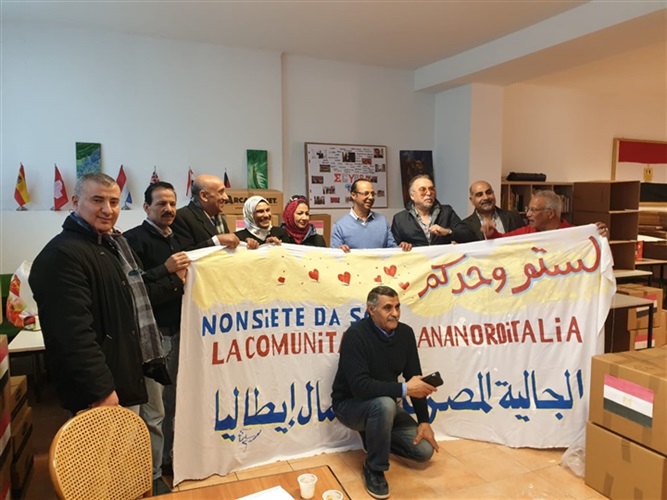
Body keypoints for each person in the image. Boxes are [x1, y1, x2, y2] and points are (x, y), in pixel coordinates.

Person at [331, 286, 438, 499]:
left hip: (384, 408)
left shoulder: (405, 334)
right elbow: (360, 387)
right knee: (385, 404)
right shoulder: (356, 335)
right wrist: (405, 389)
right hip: (351, 405)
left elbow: (415, 380)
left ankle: (373, 436)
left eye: (397, 307)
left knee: (424, 451)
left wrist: (424, 421)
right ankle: (374, 468)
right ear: (371, 310)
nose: (395, 313)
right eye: (388, 308)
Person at [124, 181, 190, 480]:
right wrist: (170, 273)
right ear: (146, 207)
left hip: (181, 334)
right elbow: (137, 291)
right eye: (161, 203)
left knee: (175, 402)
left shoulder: (178, 239)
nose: (168, 209)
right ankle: (150, 476)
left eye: (172, 203)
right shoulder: (132, 241)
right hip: (154, 338)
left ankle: (168, 460)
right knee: (155, 410)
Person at [481, 189, 609, 238]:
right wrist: (492, 233)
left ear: (550, 213)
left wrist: (602, 239)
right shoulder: (527, 232)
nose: (528, 214)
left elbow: (598, 257)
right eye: (528, 209)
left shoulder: (574, 234)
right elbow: (503, 241)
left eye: (533, 210)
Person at [391, 175, 475, 247]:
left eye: (431, 189)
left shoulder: (446, 212)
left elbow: (469, 235)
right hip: (416, 260)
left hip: (443, 260)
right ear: (412, 196)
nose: (429, 193)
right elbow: (393, 247)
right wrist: (402, 246)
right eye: (423, 189)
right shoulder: (400, 219)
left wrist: (448, 231)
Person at [171, 174, 241, 251]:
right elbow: (185, 253)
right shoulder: (181, 217)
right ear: (204, 196)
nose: (226, 198)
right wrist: (216, 241)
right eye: (221, 192)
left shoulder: (220, 219)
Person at [331, 179, 403, 252]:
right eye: (366, 193)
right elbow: (335, 256)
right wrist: (340, 251)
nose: (371, 197)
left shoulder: (383, 221)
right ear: (353, 195)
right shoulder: (340, 226)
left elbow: (393, 250)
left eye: (372, 194)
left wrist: (401, 248)